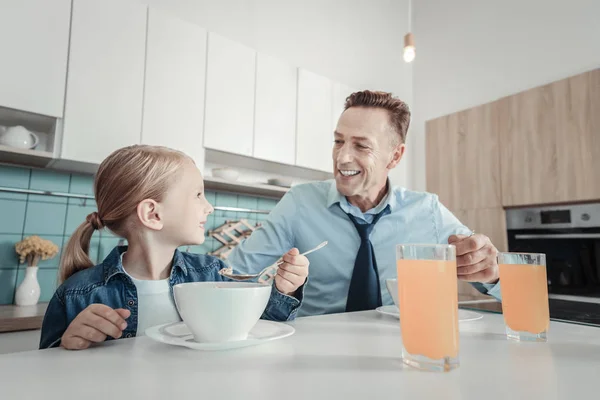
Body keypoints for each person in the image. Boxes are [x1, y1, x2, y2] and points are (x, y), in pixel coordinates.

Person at [227, 90, 501, 317]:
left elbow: (493, 278)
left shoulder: (427, 211)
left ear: (394, 157)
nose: (342, 157)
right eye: (338, 141)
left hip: (400, 351)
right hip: (314, 354)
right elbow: (234, 275)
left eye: (361, 146)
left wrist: (491, 272)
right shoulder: (299, 203)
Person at [39, 145, 309, 350]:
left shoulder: (214, 274)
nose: (209, 206)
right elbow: (43, 371)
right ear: (153, 214)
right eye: (198, 194)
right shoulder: (77, 294)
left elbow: (259, 330)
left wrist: (284, 290)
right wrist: (66, 345)